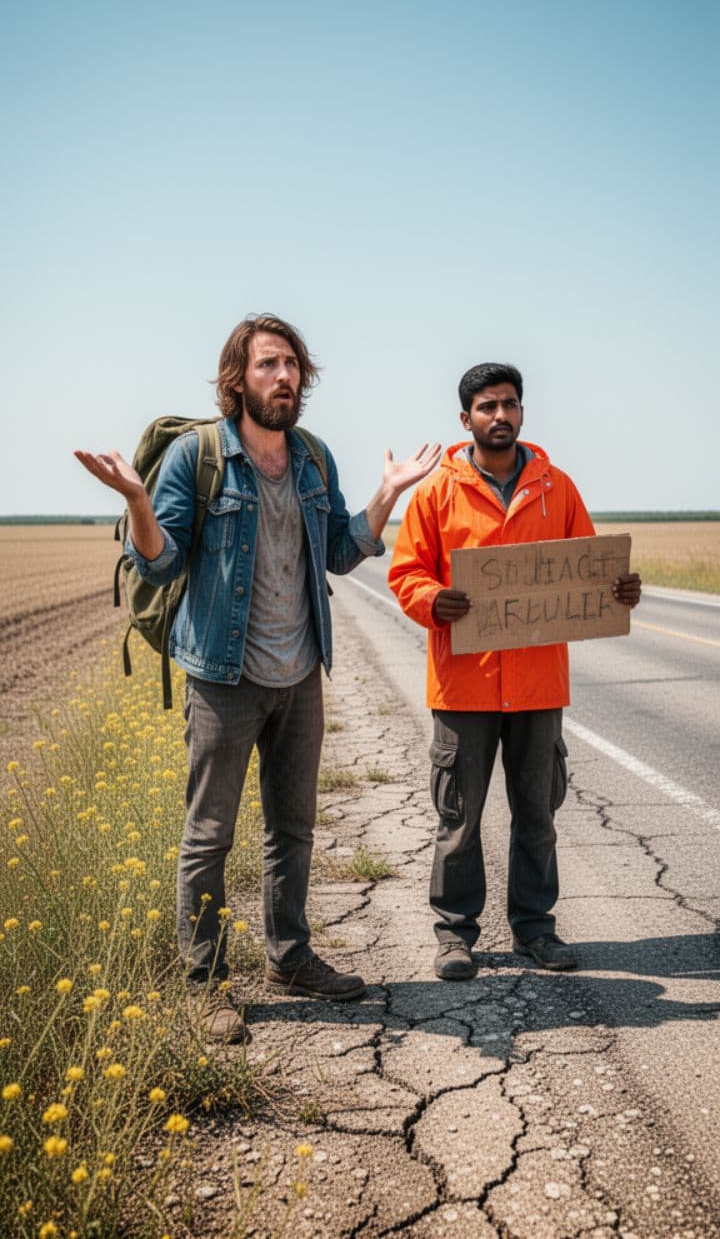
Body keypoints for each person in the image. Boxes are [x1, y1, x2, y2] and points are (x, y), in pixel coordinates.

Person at [75, 313, 440, 1040]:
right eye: (269, 364)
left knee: (293, 830)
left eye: (293, 366)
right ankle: (205, 986)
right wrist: (139, 501)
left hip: (300, 673)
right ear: (238, 378)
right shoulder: (196, 456)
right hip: (223, 673)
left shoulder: (312, 457)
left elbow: (339, 551)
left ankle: (290, 957)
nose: (284, 377)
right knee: (209, 836)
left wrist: (389, 492)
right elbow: (161, 562)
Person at [388, 362, 641, 979]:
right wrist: (431, 601)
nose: (499, 415)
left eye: (509, 404)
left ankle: (534, 930)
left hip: (537, 686)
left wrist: (618, 591)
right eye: (486, 406)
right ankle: (455, 936)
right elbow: (405, 573)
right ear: (465, 419)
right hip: (463, 686)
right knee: (459, 820)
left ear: (522, 412)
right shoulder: (435, 492)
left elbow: (585, 570)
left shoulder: (558, 487)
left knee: (538, 815)